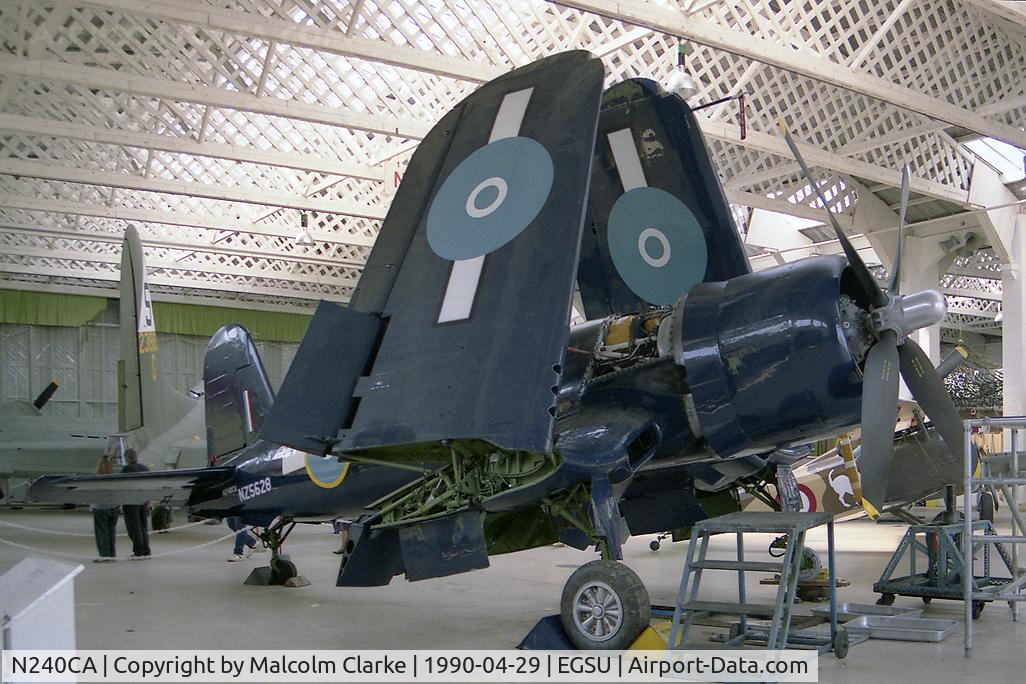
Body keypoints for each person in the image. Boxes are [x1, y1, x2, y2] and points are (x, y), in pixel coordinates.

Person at [121, 448, 151, 559]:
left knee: (134, 527)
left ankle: (138, 551)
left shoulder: (126, 469)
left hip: (130, 501)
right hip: (143, 500)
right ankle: (146, 550)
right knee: (143, 526)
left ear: (127, 458)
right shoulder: (144, 468)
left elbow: (123, 486)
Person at [91, 455, 119, 562]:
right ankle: (112, 554)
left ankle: (104, 555)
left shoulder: (96, 477)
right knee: (111, 531)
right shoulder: (115, 477)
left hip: (100, 507)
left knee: (102, 532)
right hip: (114, 506)